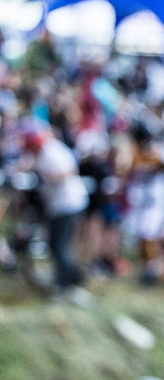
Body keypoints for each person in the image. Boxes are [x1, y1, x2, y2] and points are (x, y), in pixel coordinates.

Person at [19, 121, 88, 290]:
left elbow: (71, 169)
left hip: (68, 203)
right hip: (59, 205)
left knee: (59, 244)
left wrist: (52, 177)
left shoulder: (52, 151)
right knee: (56, 244)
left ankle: (67, 282)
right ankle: (72, 277)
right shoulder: (43, 152)